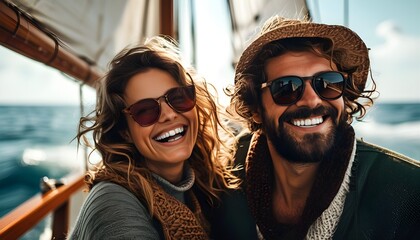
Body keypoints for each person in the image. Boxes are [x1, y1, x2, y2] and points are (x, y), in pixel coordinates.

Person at [228, 16, 420, 239]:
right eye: (286, 88)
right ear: (255, 109)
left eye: (327, 83)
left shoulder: (411, 196)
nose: (312, 100)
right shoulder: (222, 179)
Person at [69, 36, 257, 240]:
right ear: (125, 131)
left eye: (178, 98)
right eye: (145, 110)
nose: (169, 114)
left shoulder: (203, 182)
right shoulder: (112, 202)